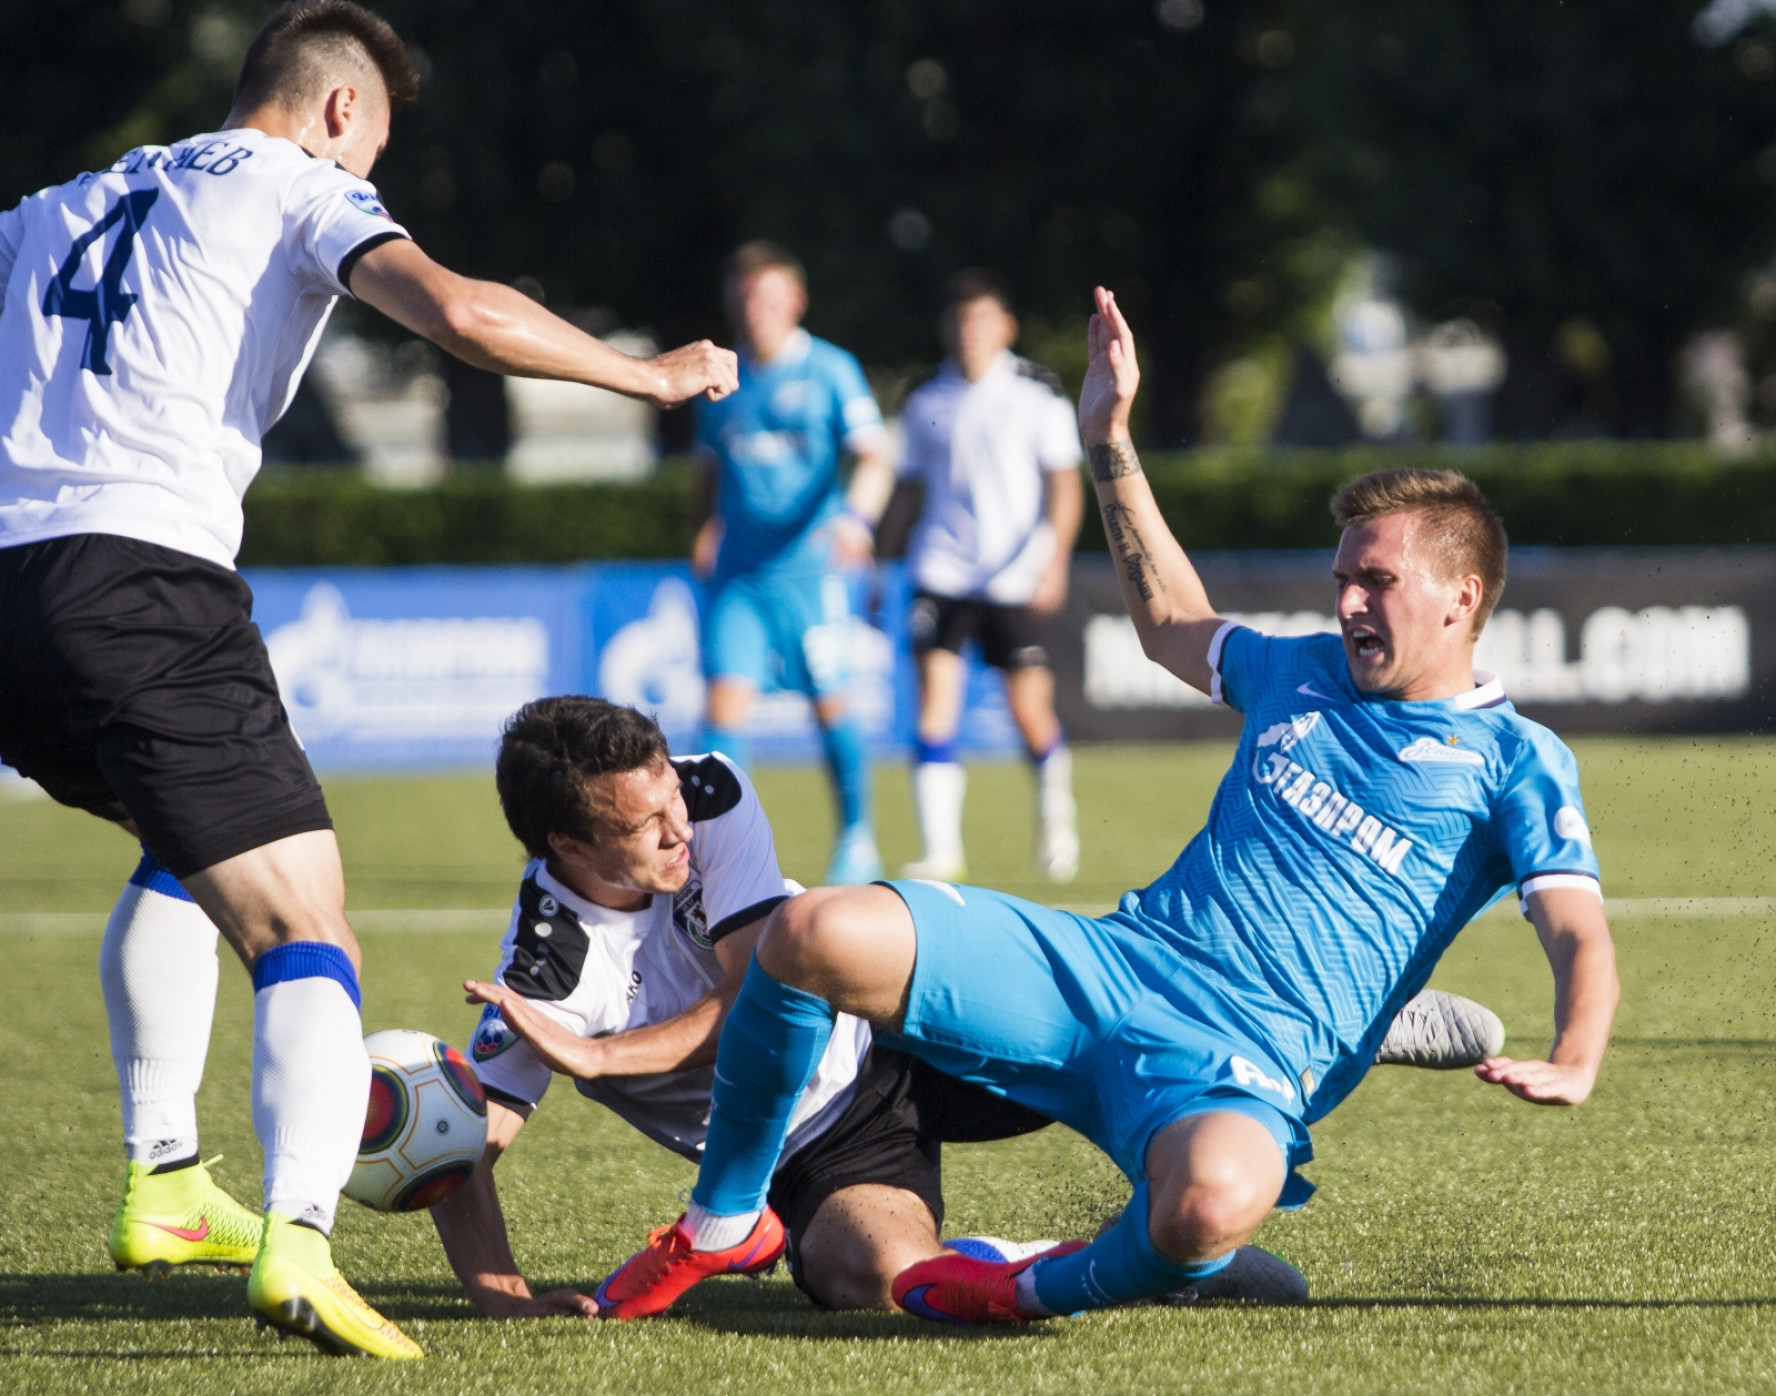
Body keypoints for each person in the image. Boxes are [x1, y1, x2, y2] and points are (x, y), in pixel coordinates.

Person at [592, 286, 1620, 1325]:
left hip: (1242, 1058)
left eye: (1377, 581)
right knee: (812, 928)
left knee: (1213, 1199)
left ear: (1462, 598)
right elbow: (1172, 619)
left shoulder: (1517, 761)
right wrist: (1110, 438)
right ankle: (722, 1221)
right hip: (1106, 969)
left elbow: (1577, 929)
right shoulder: (1301, 670)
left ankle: (1039, 1283)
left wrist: (1577, 1053)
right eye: (1344, 576)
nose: (1347, 601)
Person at [0, 1, 736, 1360]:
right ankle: (298, 1242)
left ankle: (166, 1182)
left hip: (13, 588)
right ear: (340, 110)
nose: (366, 183)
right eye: (373, 156)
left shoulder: (57, 203)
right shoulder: (291, 184)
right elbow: (457, 310)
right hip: (143, 581)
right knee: (308, 929)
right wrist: (641, 374)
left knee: (186, 852)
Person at [431, 696, 1085, 1315]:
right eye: (643, 825)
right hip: (811, 1140)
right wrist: (503, 1297)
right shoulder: (547, 970)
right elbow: (462, 1148)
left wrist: (602, 1058)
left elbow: (767, 995)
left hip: (884, 1003)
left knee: (1108, 1045)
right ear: (569, 847)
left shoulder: (710, 792)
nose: (678, 830)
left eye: (672, 800)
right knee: (881, 1278)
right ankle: (1075, 1261)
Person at [691, 242, 897, 886]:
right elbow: (708, 466)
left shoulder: (831, 370)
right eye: (749, 297)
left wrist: (856, 519)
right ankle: (724, 853)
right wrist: (702, 529)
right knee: (724, 705)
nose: (759, 310)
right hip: (742, 575)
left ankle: (857, 838)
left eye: (772, 297)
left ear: (796, 302)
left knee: (831, 706)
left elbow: (874, 456)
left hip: (813, 574)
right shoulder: (721, 377)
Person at [894, 270, 1085, 883]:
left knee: (1029, 711)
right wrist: (877, 558)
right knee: (933, 706)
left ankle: (1057, 821)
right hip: (940, 571)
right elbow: (906, 489)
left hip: (1013, 579)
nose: (969, 333)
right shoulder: (926, 398)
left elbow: (1064, 487)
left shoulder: (1038, 395)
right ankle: (941, 848)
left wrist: (1053, 559)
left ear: (1006, 327)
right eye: (960, 320)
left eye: (982, 321)